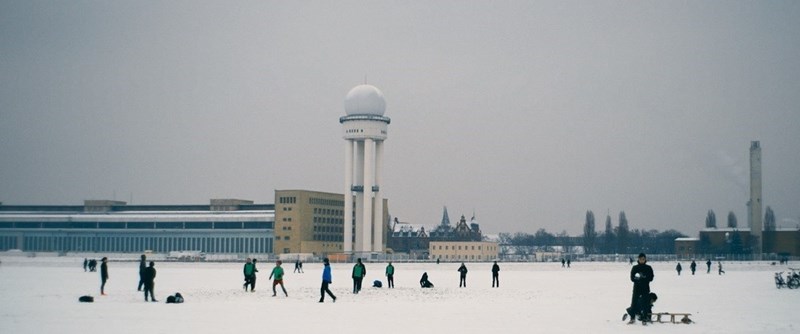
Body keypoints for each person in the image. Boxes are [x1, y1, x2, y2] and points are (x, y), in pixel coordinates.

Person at [623, 253, 654, 324]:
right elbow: (632, 278)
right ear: (638, 259)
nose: (642, 260)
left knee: (646, 303)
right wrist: (638, 278)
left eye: (643, 259)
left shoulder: (648, 268)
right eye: (640, 259)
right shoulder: (635, 267)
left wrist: (644, 277)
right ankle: (632, 318)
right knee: (634, 303)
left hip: (645, 288)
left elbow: (651, 278)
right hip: (637, 288)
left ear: (645, 259)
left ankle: (645, 318)